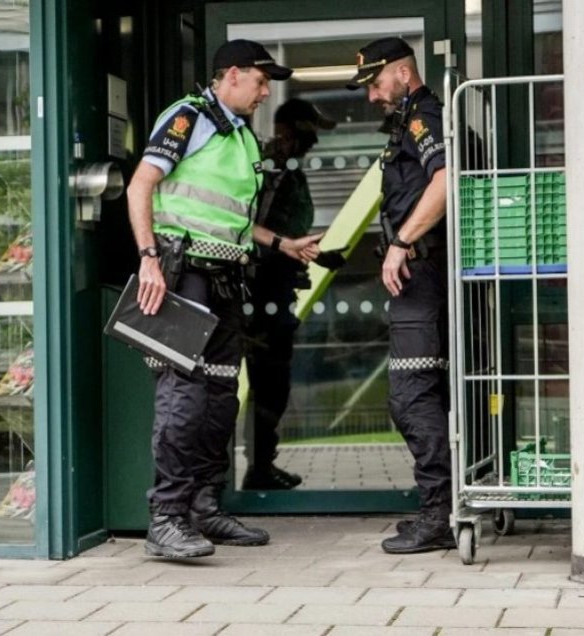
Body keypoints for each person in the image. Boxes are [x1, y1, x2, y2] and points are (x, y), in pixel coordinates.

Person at [126, 39, 322, 559]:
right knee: (183, 397)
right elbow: (140, 186)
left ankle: (203, 508)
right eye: (261, 81)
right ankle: (165, 518)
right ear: (231, 75)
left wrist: (282, 243)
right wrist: (149, 257)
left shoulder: (239, 135)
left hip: (226, 280)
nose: (266, 91)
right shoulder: (188, 118)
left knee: (218, 398)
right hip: (181, 274)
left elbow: (232, 215)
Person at [348, 37, 454, 554]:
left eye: (374, 82)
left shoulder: (423, 118)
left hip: (423, 271)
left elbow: (445, 181)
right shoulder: (411, 119)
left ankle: (438, 515)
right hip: (425, 273)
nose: (371, 95)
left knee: (411, 396)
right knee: (427, 395)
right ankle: (444, 508)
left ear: (402, 73)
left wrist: (403, 242)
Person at [242, 98, 337, 490]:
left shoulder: (289, 170)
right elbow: (249, 225)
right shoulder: (273, 168)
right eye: (311, 132)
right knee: (268, 381)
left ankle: (262, 464)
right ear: (294, 129)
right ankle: (258, 468)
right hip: (261, 290)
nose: (315, 143)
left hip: (277, 284)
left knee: (273, 382)